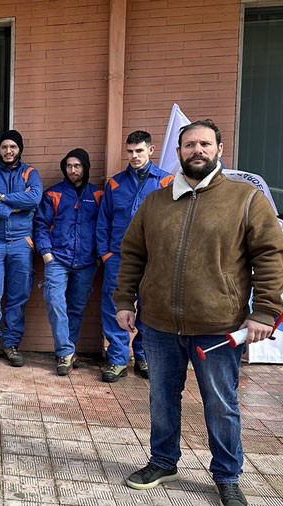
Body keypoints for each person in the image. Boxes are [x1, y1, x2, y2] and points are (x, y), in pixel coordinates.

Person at [115, 120, 283, 506]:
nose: (197, 150)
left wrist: (263, 311)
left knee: (221, 404)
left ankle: (227, 475)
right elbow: (132, 255)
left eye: (205, 144)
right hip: (158, 324)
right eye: (189, 144)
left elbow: (271, 256)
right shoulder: (155, 202)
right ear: (178, 152)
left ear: (220, 150)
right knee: (161, 398)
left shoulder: (244, 199)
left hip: (218, 326)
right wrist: (125, 301)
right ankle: (163, 460)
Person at [96, 130, 173, 382]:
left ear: (151, 151)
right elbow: (103, 221)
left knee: (149, 308)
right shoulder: (115, 183)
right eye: (130, 151)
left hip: (153, 259)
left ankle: (142, 356)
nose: (134, 156)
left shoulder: (166, 182)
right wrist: (105, 255)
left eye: (139, 151)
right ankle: (117, 360)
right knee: (115, 307)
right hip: (118, 257)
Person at [0, 130, 42, 366]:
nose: (8, 151)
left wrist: (1, 197)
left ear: (19, 149)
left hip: (22, 242)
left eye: (13, 146)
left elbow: (34, 199)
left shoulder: (30, 173)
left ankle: (11, 345)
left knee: (18, 297)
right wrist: (12, 206)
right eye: (4, 147)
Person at [34, 148, 102, 376]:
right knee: (54, 302)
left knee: (76, 308)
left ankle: (68, 352)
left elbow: (103, 227)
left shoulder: (98, 195)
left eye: (77, 166)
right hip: (57, 259)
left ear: (85, 167)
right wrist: (46, 253)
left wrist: (99, 255)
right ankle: (64, 351)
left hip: (87, 261)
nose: (73, 170)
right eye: (69, 166)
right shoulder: (53, 194)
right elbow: (41, 225)